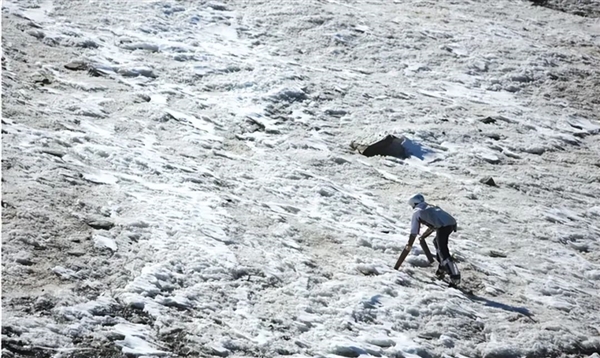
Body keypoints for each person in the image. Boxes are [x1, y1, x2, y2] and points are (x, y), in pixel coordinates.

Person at [407, 193, 461, 285]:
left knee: (442, 250)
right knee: (436, 242)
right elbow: (435, 223)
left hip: (443, 227)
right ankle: (442, 267)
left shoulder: (417, 211)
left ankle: (455, 276)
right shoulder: (430, 206)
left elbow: (414, 232)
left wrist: (409, 245)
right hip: (451, 223)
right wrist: (423, 236)